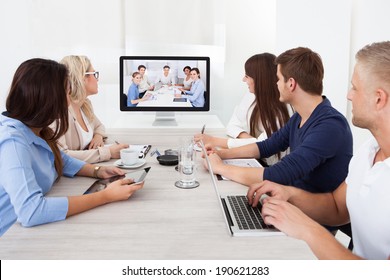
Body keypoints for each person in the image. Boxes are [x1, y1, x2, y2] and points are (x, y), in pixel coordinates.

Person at [247, 41, 390, 260]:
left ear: (379, 98)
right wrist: (289, 195)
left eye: (354, 87)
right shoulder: (369, 151)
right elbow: (336, 208)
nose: (348, 96)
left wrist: (307, 228)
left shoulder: (331, 124)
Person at [0, 58, 144, 237]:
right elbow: (31, 212)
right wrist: (105, 196)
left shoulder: (36, 129)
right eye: (67, 93)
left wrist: (98, 171)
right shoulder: (12, 143)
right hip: (8, 238)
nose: (69, 102)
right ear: (48, 98)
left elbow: (61, 159)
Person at [203, 47, 353, 195]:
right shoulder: (300, 117)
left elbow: (279, 174)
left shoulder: (330, 126)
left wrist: (220, 168)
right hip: (292, 203)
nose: (276, 84)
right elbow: (267, 146)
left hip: (313, 216)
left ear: (291, 84)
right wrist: (222, 155)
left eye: (279, 79)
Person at [195, 53, 291, 166]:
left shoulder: (282, 109)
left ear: (260, 79)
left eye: (247, 76)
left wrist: (214, 141)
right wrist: (252, 140)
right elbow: (232, 125)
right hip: (255, 158)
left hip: (270, 165)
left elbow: (264, 147)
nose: (243, 79)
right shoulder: (251, 95)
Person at [57, 55, 128, 163]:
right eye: (94, 74)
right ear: (82, 78)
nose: (97, 79)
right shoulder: (59, 113)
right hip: (71, 178)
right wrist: (108, 152)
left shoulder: (85, 104)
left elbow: (99, 126)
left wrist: (98, 136)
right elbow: (62, 156)